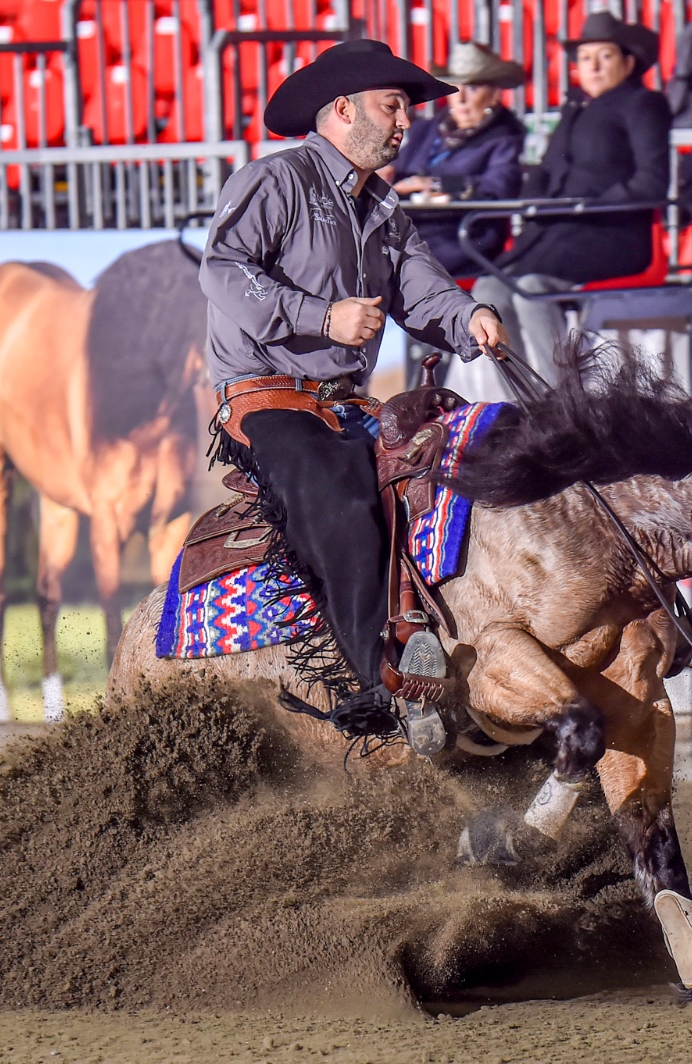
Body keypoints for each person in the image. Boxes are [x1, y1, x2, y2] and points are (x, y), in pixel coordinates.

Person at [199, 39, 508, 729]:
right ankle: (383, 683)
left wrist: (471, 317)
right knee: (340, 504)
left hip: (348, 407)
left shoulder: (382, 206)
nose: (406, 122)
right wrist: (320, 316)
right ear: (341, 109)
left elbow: (424, 291)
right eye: (392, 106)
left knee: (462, 466)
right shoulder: (274, 180)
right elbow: (222, 269)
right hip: (270, 399)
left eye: (405, 108)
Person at [468, 13, 670, 395]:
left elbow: (652, 181)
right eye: (585, 57)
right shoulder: (575, 108)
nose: (591, 66)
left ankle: (561, 404)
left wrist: (589, 207)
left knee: (532, 289)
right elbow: (546, 169)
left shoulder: (644, 103)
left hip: (613, 233)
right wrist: (536, 198)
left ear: (628, 62)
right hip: (558, 231)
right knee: (489, 291)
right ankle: (527, 401)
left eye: (604, 56)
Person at [385, 42, 527, 278]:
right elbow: (398, 174)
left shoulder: (505, 138)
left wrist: (434, 184)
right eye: (455, 87)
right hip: (406, 232)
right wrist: (383, 174)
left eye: (472, 88)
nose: (460, 99)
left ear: (493, 95)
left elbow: (499, 188)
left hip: (461, 240)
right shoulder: (425, 130)